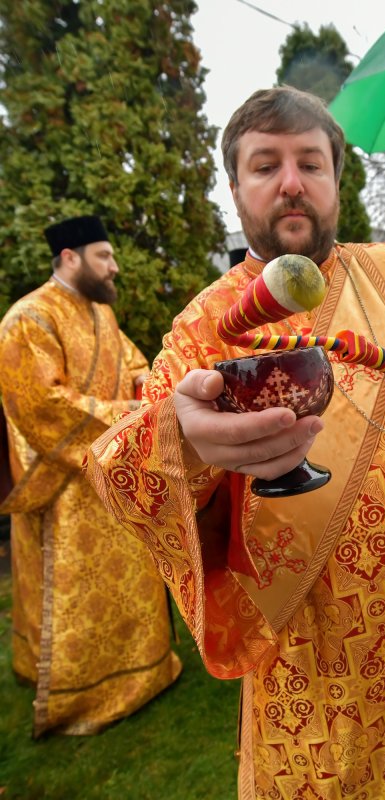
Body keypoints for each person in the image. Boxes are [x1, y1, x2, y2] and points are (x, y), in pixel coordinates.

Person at [85, 87, 385, 799]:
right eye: (265, 165)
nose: (292, 182)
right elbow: (122, 471)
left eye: (311, 162)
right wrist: (182, 438)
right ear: (236, 188)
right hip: (319, 660)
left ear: (337, 181)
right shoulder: (205, 326)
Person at [0, 215, 181, 737]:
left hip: (111, 478)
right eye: (104, 255)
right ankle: (80, 697)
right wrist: (133, 416)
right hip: (65, 489)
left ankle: (147, 670)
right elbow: (41, 404)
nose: (115, 265)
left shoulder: (101, 316)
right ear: (70, 258)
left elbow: (132, 365)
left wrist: (150, 384)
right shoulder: (28, 318)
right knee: (75, 597)